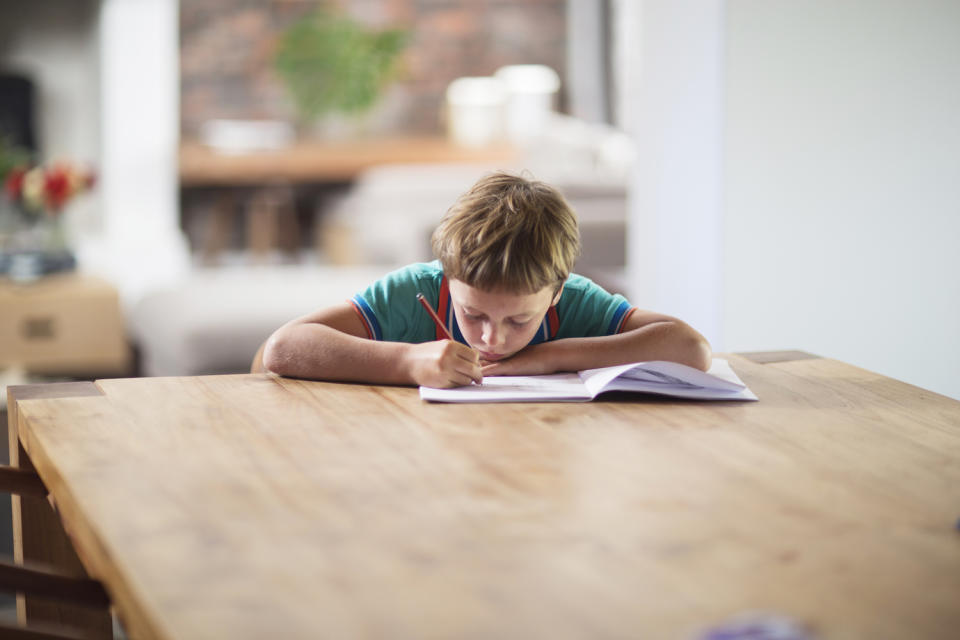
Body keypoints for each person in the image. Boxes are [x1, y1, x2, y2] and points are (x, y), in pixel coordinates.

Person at [261, 172, 711, 388]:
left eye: (519, 321)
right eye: (471, 313)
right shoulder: (414, 290)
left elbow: (690, 349)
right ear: (450, 278)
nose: (491, 337)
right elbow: (279, 350)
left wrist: (549, 356)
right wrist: (405, 362)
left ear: (556, 293)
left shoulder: (576, 300)